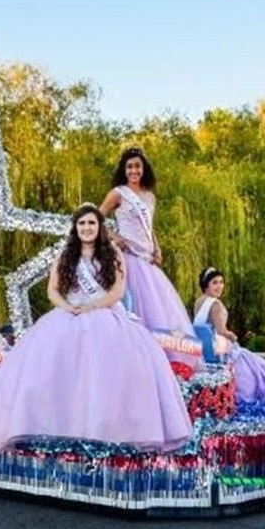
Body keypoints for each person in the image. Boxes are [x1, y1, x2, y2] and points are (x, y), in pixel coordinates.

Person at [0, 203, 193, 453]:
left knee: (108, 375)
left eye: (92, 223)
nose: (87, 228)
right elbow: (52, 290)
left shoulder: (113, 255)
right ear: (76, 228)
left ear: (99, 227)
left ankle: (109, 431)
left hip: (106, 314)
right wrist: (67, 305)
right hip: (68, 313)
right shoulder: (66, 255)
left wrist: (94, 306)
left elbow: (118, 290)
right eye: (82, 223)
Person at [99, 147, 201, 368]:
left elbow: (150, 227)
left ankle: (167, 364)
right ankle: (133, 361)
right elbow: (94, 219)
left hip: (148, 262)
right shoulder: (118, 193)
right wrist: (114, 236)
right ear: (124, 171)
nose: (134, 170)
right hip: (128, 259)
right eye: (129, 167)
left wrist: (158, 248)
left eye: (137, 166)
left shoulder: (149, 196)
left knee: (162, 315)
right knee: (134, 309)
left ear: (144, 169)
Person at [193, 267, 265, 402]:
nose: (220, 286)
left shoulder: (198, 302)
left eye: (221, 282)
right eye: (215, 282)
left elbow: (200, 327)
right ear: (206, 285)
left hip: (204, 350)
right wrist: (232, 335)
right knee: (259, 367)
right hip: (220, 348)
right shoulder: (215, 304)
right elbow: (221, 331)